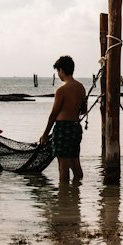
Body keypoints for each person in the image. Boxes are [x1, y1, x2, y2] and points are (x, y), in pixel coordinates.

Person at [41, 54, 86, 184]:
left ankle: (64, 196)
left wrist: (45, 134)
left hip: (63, 128)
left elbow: (53, 114)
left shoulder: (62, 90)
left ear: (61, 70)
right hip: (75, 127)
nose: (58, 75)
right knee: (75, 160)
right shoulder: (81, 87)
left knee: (63, 164)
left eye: (58, 71)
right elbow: (83, 110)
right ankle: (77, 190)